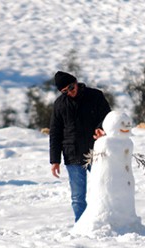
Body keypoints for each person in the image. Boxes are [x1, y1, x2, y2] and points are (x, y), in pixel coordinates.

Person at [49, 71, 111, 222]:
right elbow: (55, 133)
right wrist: (54, 160)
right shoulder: (59, 104)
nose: (70, 92)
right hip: (72, 155)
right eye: (65, 91)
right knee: (77, 198)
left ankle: (105, 223)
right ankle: (81, 226)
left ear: (76, 82)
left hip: (96, 153)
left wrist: (100, 128)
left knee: (103, 191)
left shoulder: (95, 96)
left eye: (71, 87)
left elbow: (108, 118)